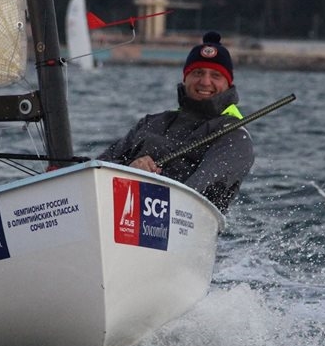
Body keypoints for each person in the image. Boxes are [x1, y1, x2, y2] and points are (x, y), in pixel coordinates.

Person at [98, 31, 254, 212]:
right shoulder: (150, 122)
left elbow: (200, 186)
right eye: (198, 73)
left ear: (228, 84)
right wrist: (129, 169)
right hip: (120, 209)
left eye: (216, 75)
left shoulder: (235, 134)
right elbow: (100, 168)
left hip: (183, 218)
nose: (205, 82)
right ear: (185, 78)